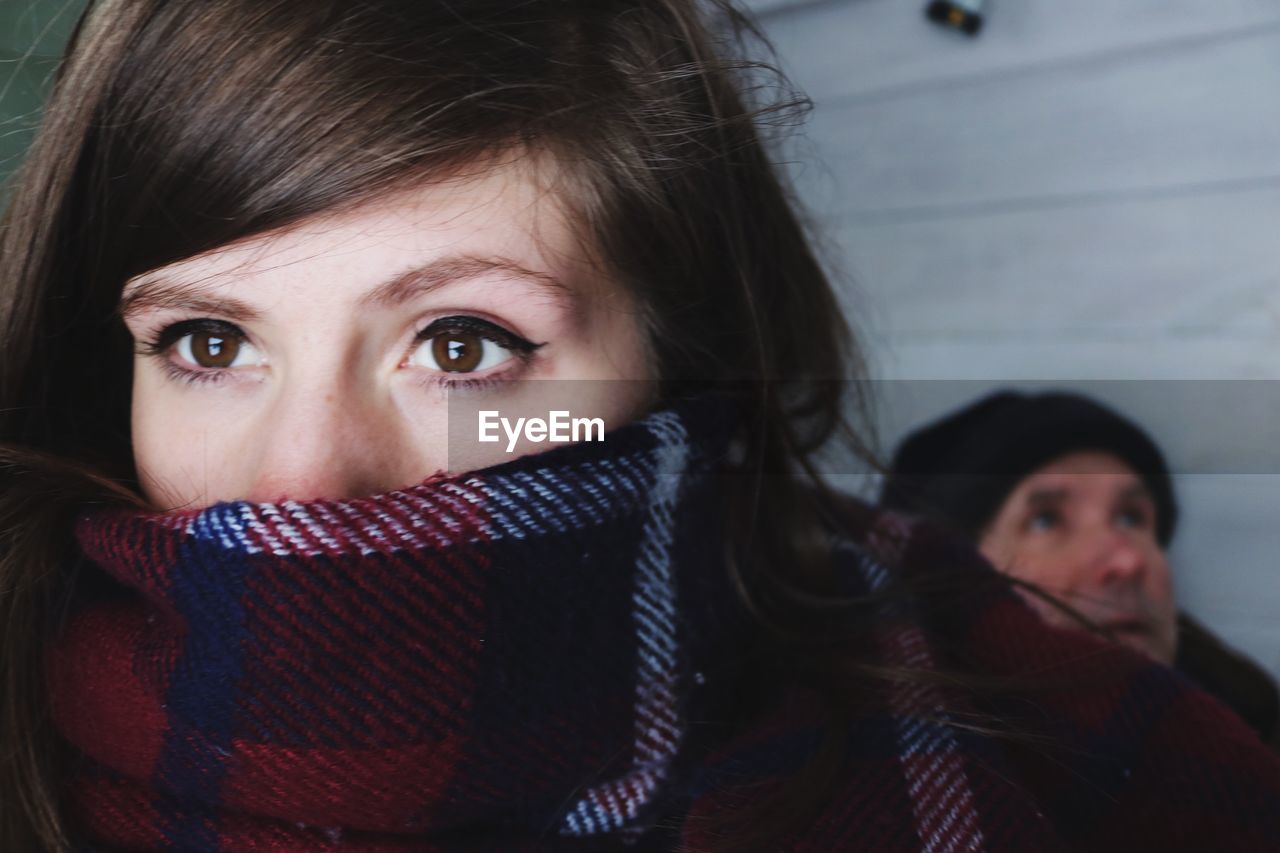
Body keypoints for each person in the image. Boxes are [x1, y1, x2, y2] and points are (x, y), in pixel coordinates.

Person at [3, 2, 1280, 850]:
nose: (296, 479)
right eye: (207, 343)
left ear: (680, 361)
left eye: (461, 345)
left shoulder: (1037, 714)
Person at [881, 390, 1280, 749]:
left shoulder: (1254, 741)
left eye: (1131, 518)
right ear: (954, 576)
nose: (1129, 561)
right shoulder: (908, 783)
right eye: (1046, 521)